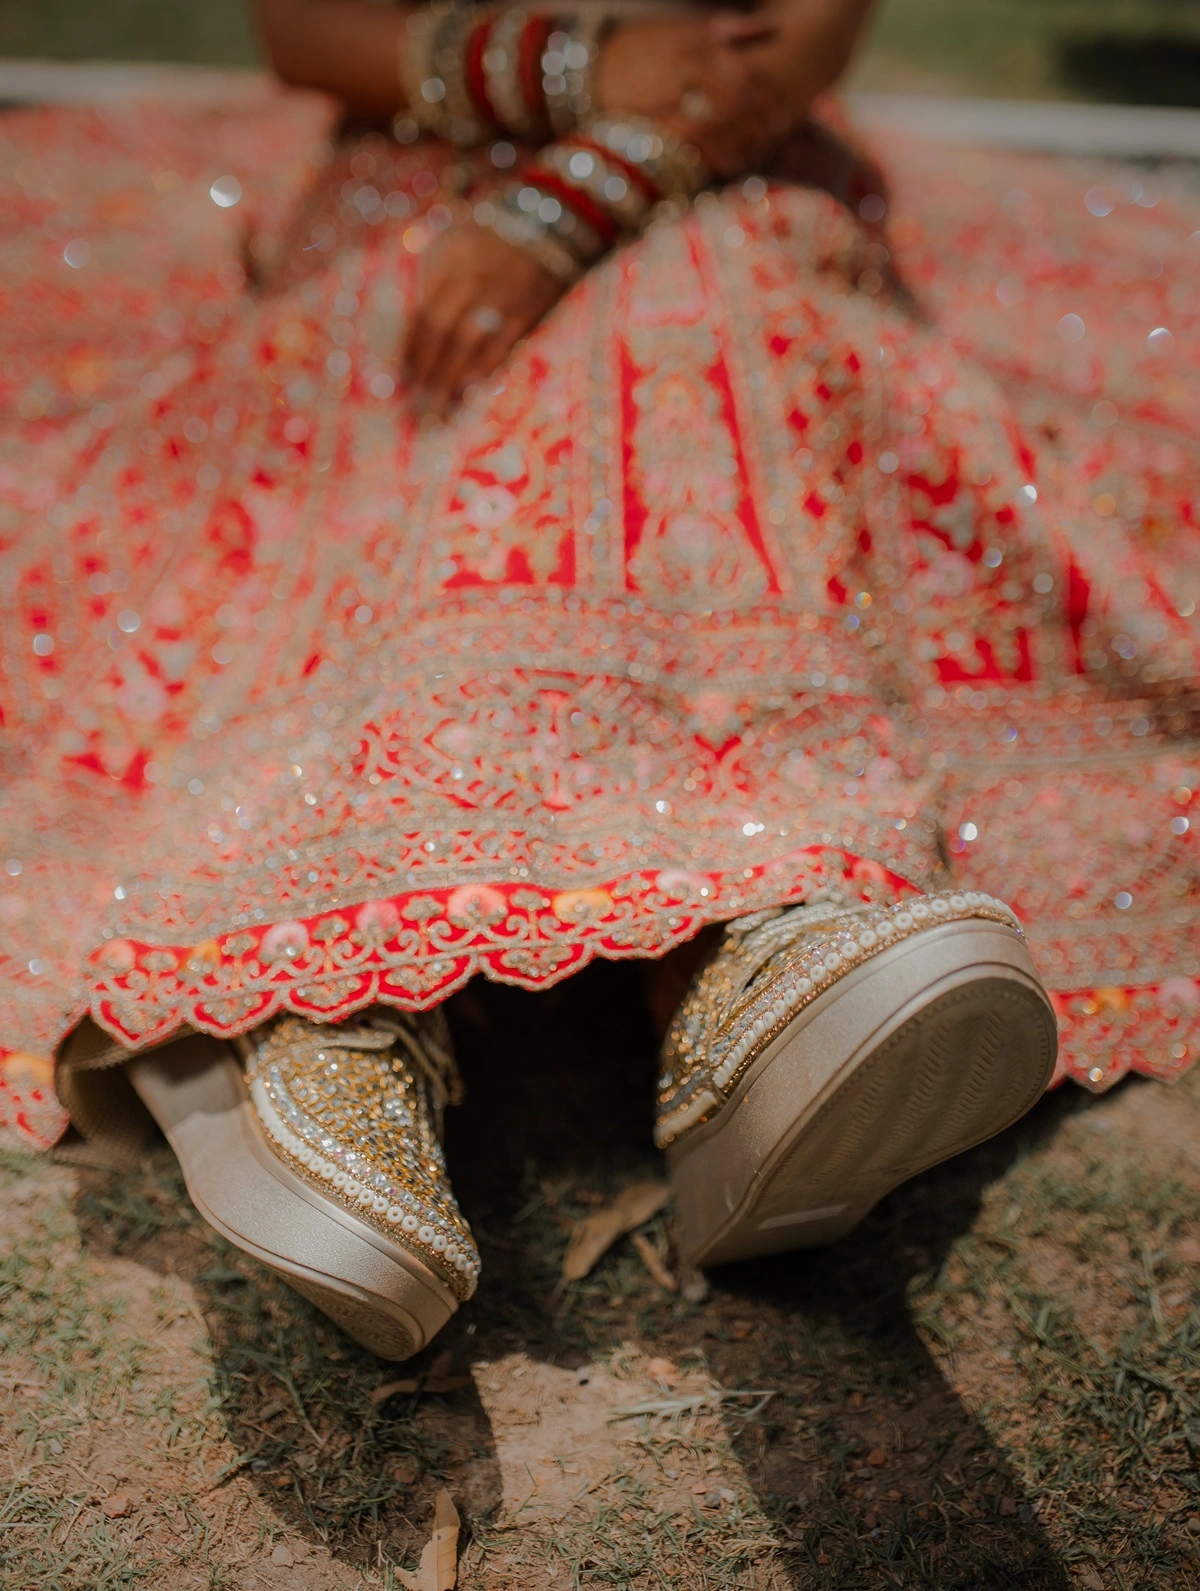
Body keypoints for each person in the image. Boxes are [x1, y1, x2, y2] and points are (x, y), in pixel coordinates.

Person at [0, 0, 1195, 1361]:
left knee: (707, 307)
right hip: (421, 179)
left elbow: (804, 32)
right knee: (439, 354)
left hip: (728, 172)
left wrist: (602, 181)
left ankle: (760, 918)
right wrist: (570, 82)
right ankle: (317, 951)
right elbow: (306, 27)